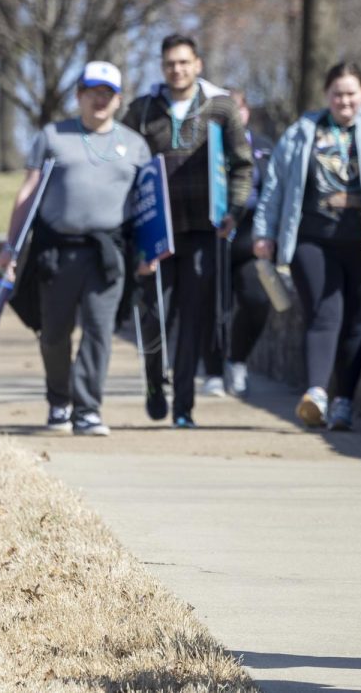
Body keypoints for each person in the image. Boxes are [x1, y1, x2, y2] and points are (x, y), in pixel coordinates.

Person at [253, 62, 361, 431]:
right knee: (324, 314)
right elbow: (276, 186)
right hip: (312, 237)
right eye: (337, 94)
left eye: (351, 93)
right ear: (327, 95)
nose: (344, 101)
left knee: (356, 322)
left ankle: (345, 401)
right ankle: (316, 394)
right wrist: (264, 232)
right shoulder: (302, 131)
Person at [0, 61, 151, 436]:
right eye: (92, 91)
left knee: (99, 330)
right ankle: (59, 401)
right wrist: (10, 246)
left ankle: (88, 409)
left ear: (117, 100)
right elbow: (28, 193)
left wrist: (150, 253)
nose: (99, 99)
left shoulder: (136, 145)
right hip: (57, 251)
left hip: (108, 253)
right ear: (79, 95)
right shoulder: (52, 136)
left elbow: (148, 206)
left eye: (107, 94)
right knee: (54, 332)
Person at [121, 33, 254, 429]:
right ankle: (152, 383)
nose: (177, 70)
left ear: (197, 64)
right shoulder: (142, 111)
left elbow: (242, 165)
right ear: (162, 68)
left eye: (184, 62)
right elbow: (125, 165)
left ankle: (184, 406)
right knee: (153, 315)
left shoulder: (220, 108)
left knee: (192, 320)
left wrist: (233, 210)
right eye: (170, 64)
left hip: (201, 231)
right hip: (154, 233)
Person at [200, 91, 276, 398]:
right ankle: (214, 372)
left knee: (258, 301)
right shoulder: (202, 148)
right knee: (213, 306)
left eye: (237, 108)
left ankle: (238, 360)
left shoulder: (265, 148)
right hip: (210, 235)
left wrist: (270, 235)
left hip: (250, 236)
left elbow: (275, 193)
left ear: (245, 112)